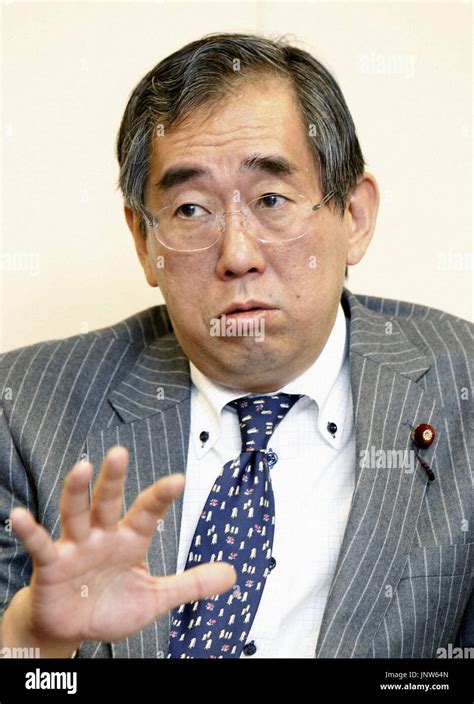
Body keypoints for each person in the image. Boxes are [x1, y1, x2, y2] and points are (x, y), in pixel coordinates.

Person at [0, 33, 472, 659]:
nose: (237, 256)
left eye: (271, 200)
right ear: (145, 243)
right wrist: (35, 641)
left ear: (354, 217)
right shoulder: (25, 411)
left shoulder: (462, 390)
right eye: (191, 211)